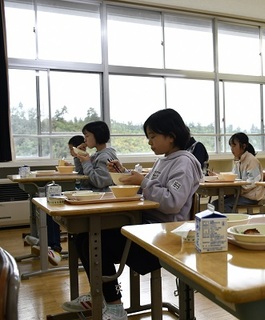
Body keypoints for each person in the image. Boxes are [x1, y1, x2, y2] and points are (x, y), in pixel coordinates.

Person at [62, 109, 203, 320]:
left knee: (95, 240)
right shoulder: (165, 160)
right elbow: (149, 189)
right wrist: (124, 175)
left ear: (171, 136)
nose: (149, 142)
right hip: (147, 228)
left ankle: (114, 305)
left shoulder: (184, 161)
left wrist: (142, 181)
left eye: (153, 137)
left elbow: (172, 202)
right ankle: (101, 295)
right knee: (83, 235)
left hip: (163, 238)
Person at [24, 134, 87, 266]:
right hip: (77, 193)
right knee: (50, 208)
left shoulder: (93, 158)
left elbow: (85, 177)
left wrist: (81, 160)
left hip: (82, 195)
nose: (70, 152)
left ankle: (52, 248)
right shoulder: (83, 159)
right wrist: (76, 161)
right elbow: (81, 172)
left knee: (53, 210)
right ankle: (48, 245)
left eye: (72, 149)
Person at [211, 132, 264, 213]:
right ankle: (222, 223)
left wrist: (237, 188)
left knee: (224, 204)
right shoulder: (238, 160)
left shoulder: (251, 160)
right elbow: (233, 177)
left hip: (251, 196)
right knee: (215, 204)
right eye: (231, 146)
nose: (232, 149)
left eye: (234, 145)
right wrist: (218, 176)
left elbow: (254, 182)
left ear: (243, 146)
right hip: (242, 195)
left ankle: (233, 222)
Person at [73, 121, 117, 191]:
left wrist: (86, 162)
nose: (85, 140)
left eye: (87, 136)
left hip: (103, 197)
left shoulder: (105, 157)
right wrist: (79, 156)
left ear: (97, 135)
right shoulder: (96, 155)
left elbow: (99, 182)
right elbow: (81, 176)